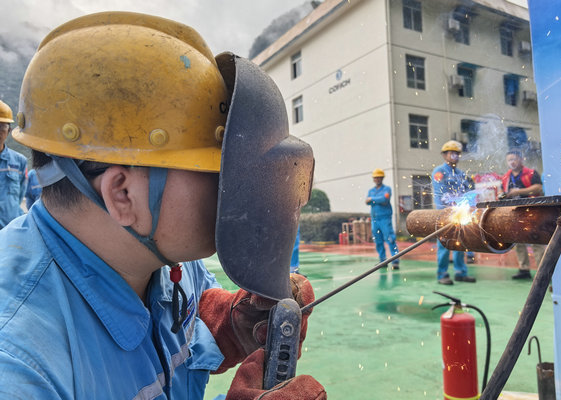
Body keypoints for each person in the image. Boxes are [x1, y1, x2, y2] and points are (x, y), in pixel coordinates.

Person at [0, 12, 325, 400]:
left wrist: (229, 326)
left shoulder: (161, 254)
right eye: (215, 170)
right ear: (124, 194)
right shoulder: (19, 366)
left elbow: (184, 327)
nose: (233, 187)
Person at [431, 140, 476, 285]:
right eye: (451, 153)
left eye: (457, 153)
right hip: (445, 213)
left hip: (460, 212)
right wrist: (452, 204)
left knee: (460, 242)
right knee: (445, 244)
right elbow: (441, 193)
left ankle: (460, 272)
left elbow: (466, 192)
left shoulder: (461, 174)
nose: (454, 156)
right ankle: (442, 274)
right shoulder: (439, 172)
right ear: (444, 155)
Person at [501, 149, 546, 280]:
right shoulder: (506, 177)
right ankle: (523, 268)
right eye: (509, 160)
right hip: (515, 212)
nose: (512, 162)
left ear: (521, 159)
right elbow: (504, 192)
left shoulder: (531, 173)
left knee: (536, 240)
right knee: (518, 241)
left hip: (532, 211)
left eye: (514, 159)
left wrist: (518, 191)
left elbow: (538, 188)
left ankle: (542, 271)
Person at [365, 168, 400, 270]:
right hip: (375, 219)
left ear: (382, 178)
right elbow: (367, 202)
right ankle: (382, 260)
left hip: (385, 218)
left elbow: (385, 199)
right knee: (378, 240)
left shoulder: (387, 189)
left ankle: (395, 261)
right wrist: (377, 200)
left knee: (390, 239)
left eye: (379, 177)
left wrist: (372, 199)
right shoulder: (371, 191)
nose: (377, 179)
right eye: (375, 178)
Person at [0, 100, 27, 228]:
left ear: (9, 130)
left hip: (9, 230)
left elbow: (20, 194)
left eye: (1, 126)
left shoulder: (19, 161)